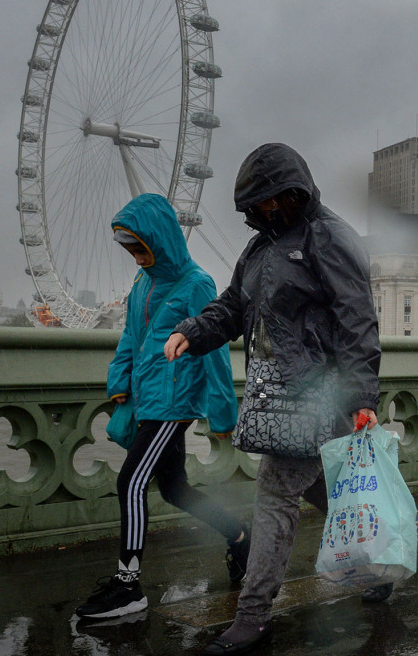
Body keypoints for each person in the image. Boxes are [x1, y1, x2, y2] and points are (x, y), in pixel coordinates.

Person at [164, 144, 384, 655]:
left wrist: (360, 398)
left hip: (320, 395)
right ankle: (375, 566)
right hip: (275, 393)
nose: (264, 210)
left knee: (274, 495)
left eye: (271, 200)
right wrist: (193, 332)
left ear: (293, 191)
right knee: (312, 489)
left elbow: (359, 321)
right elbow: (232, 307)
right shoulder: (259, 249)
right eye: (257, 204)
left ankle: (254, 614)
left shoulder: (330, 237)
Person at [75, 194, 247, 620]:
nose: (136, 258)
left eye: (140, 248)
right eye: (130, 250)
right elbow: (130, 339)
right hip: (147, 398)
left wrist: (223, 411)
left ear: (161, 239)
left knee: (130, 482)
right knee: (174, 489)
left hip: (176, 401)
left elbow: (215, 350)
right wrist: (120, 387)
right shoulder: (142, 284)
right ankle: (241, 535)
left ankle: (128, 585)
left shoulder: (197, 283)